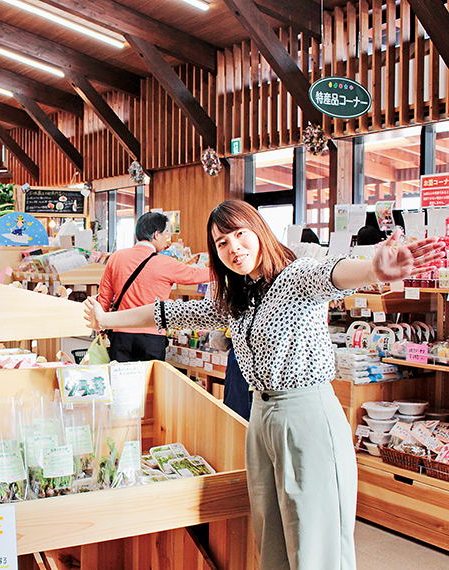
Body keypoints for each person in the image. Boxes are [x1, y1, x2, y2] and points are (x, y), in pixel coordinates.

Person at [84, 199, 444, 570]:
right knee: (271, 543)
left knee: (314, 547)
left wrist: (373, 268)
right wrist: (107, 317)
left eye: (240, 234)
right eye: (221, 242)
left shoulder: (295, 276)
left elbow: (332, 274)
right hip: (261, 418)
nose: (233, 248)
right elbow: (167, 314)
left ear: (259, 230)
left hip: (307, 418)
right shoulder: (238, 299)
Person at [96, 211, 209, 362]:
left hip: (121, 334)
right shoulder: (165, 263)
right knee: (150, 384)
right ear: (156, 235)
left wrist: (100, 324)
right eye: (165, 233)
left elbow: (104, 297)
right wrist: (228, 269)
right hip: (152, 335)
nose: (166, 238)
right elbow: (195, 274)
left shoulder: (116, 257)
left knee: (120, 382)